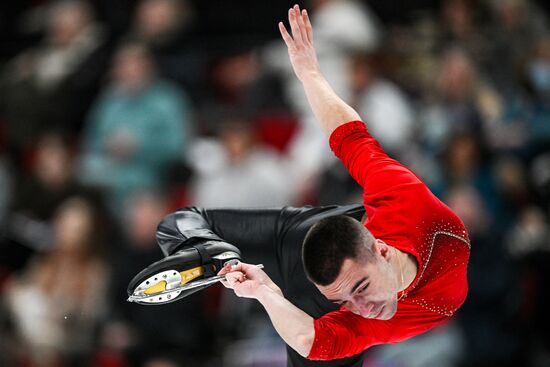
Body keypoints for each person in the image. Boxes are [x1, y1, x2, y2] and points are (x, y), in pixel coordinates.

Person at [130, 5, 470, 366]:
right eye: (354, 296)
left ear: (382, 254)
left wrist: (265, 292)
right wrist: (309, 73)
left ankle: (237, 265)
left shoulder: (367, 301)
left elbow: (312, 339)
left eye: (360, 290)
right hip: (303, 237)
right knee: (175, 221)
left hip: (315, 306)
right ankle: (212, 252)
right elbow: (350, 137)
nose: (363, 309)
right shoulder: (402, 216)